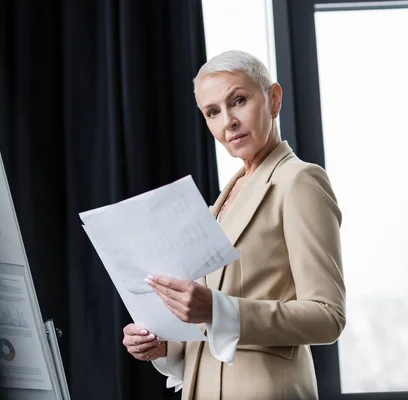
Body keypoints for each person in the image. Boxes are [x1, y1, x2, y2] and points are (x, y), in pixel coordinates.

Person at [122, 50, 346, 400]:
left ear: (274, 99)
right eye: (213, 112)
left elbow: (328, 316)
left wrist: (217, 308)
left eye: (238, 101)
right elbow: (209, 322)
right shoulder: (224, 199)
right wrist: (163, 345)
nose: (228, 121)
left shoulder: (300, 181)